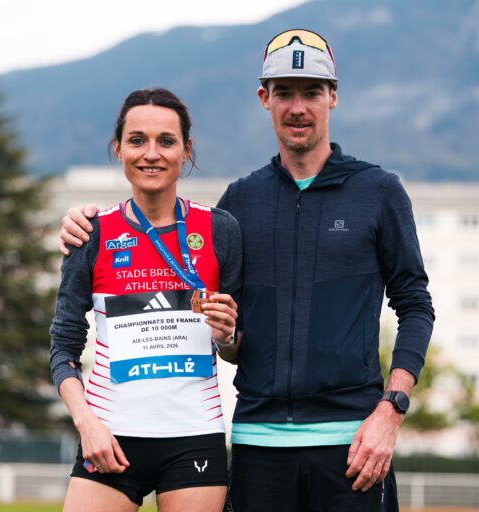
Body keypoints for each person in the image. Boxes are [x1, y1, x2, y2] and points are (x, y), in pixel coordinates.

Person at [59, 30, 434, 512]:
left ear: (333, 96)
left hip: (354, 443)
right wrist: (81, 228)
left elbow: (416, 306)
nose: (298, 107)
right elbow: (225, 331)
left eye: (312, 92)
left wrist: (392, 410)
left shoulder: (379, 192)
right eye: (284, 92)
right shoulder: (238, 206)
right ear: (265, 98)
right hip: (258, 445)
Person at [50, 87, 242, 512]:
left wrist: (227, 335)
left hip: (194, 438)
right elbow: (63, 348)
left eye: (166, 141)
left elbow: (237, 349)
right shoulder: (91, 233)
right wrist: (87, 425)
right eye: (137, 140)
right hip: (108, 438)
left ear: (186, 151)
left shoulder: (221, 230)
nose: (151, 153)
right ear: (118, 149)